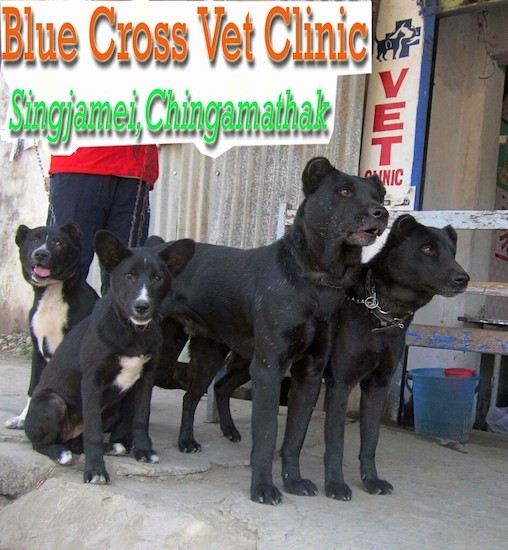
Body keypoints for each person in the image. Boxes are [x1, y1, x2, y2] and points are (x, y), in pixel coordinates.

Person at [47, 145, 159, 293]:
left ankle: (114, 316)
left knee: (127, 275)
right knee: (62, 270)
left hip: (133, 167)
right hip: (77, 160)